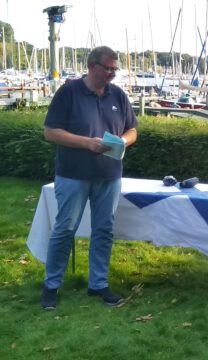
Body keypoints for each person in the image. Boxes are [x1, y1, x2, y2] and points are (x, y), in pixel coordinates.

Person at [39, 46, 138, 310]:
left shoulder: (118, 94)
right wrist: (87, 143)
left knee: (104, 230)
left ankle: (98, 284)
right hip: (73, 175)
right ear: (92, 66)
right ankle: (51, 285)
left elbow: (133, 130)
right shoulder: (69, 92)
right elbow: (50, 132)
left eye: (115, 69)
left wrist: (123, 142)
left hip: (109, 175)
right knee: (65, 229)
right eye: (108, 68)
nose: (112, 74)